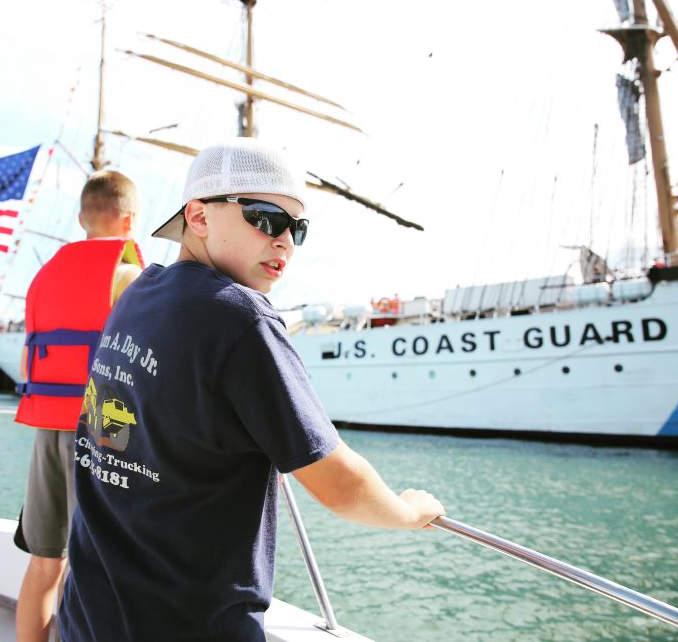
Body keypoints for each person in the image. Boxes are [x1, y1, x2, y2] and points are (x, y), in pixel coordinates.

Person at [59, 138, 445, 641]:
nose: (284, 240)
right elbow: (338, 484)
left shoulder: (135, 296)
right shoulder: (239, 315)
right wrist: (410, 511)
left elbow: (156, 428)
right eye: (266, 218)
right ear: (198, 216)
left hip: (88, 614)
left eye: (297, 228)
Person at [13, 170, 143, 642]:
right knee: (101, 570)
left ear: (83, 217)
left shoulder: (44, 276)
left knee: (45, 562)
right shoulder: (130, 277)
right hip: (106, 430)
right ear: (130, 219)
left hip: (48, 428)